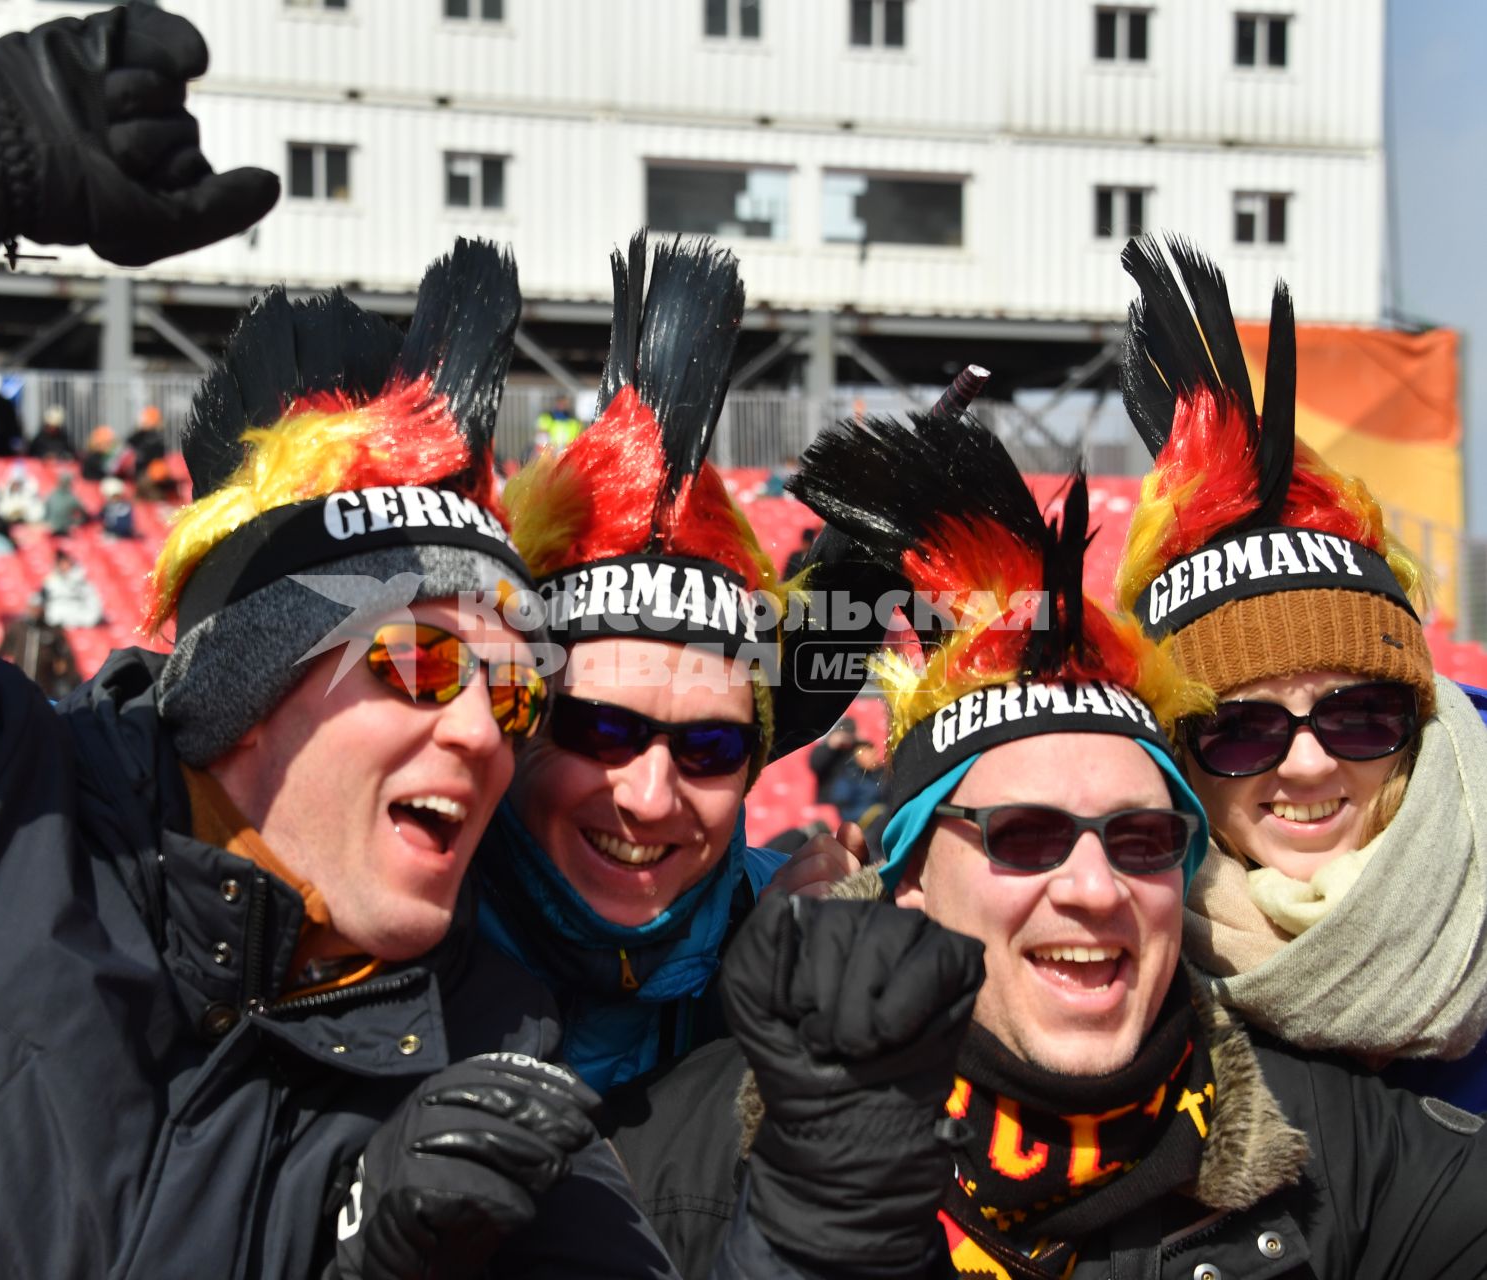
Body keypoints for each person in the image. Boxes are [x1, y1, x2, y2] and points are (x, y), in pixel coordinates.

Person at [0, 206, 676, 1280]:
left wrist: (824, 1202)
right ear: (251, 679)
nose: (479, 730)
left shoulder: (492, 1047)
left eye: (518, 698)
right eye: (418, 663)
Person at [609, 398, 1487, 1280]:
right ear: (906, 879)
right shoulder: (671, 1170)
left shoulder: (1362, 1163)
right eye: (1025, 836)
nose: (1095, 889)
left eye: (1142, 840)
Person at [477, 234, 861, 1094]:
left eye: (711, 750)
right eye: (600, 729)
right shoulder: (382, 934)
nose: (650, 797)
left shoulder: (817, 940)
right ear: (515, 718)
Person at [1112, 234, 1487, 1111]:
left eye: (1359, 714)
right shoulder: (1101, 955)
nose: (1309, 765)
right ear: (1179, 759)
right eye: (1242, 729)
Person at [0, 592, 78, 699]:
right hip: (19, 684)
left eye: (38, 607)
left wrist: (62, 669)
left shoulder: (53, 632)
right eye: (33, 607)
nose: (35, 611)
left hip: (44, 686)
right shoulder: (17, 628)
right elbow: (1, 653)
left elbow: (65, 659)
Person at [40, 547, 104, 628]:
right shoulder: (51, 581)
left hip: (80, 613)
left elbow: (92, 600)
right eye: (61, 563)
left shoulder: (82, 579)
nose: (65, 565)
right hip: (60, 617)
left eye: (66, 562)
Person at [42, 469, 88, 536]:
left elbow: (84, 514)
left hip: (58, 530)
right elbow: (84, 513)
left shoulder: (51, 495)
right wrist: (76, 522)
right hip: (60, 531)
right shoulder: (72, 498)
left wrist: (76, 522)